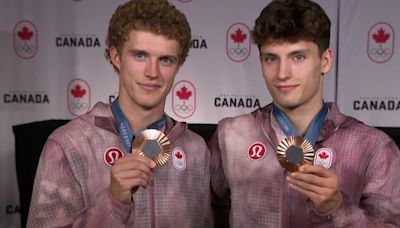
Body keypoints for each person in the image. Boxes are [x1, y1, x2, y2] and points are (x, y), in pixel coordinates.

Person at [209, 0, 400, 227]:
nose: (282, 73)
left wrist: (337, 208)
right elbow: (206, 213)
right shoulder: (231, 135)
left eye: (298, 57)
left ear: (325, 61)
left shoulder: (375, 148)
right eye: (271, 58)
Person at [27, 0, 212, 227]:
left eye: (165, 59)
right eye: (140, 56)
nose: (152, 72)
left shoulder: (195, 150)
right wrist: (113, 201)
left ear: (178, 65)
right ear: (116, 56)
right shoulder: (68, 144)